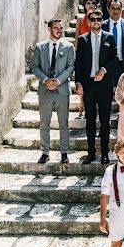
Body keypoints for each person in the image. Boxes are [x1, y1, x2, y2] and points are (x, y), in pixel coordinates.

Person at [75, 9, 119, 165]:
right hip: (88, 85)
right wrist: (78, 83)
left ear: (102, 20)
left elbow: (115, 59)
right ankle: (91, 152)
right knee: (90, 120)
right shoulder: (82, 39)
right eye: (93, 19)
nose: (96, 22)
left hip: (104, 85)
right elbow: (78, 63)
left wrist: (104, 70)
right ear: (88, 21)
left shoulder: (110, 38)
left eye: (99, 19)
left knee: (105, 120)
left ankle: (105, 153)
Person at [31, 19, 76, 164]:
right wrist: (46, 80)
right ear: (49, 29)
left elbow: (70, 66)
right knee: (45, 123)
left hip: (62, 90)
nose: (59, 30)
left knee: (64, 123)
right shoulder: (40, 47)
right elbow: (35, 67)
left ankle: (64, 152)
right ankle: (45, 152)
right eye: (56, 28)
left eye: (61, 28)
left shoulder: (69, 47)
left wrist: (58, 81)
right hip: (45, 90)